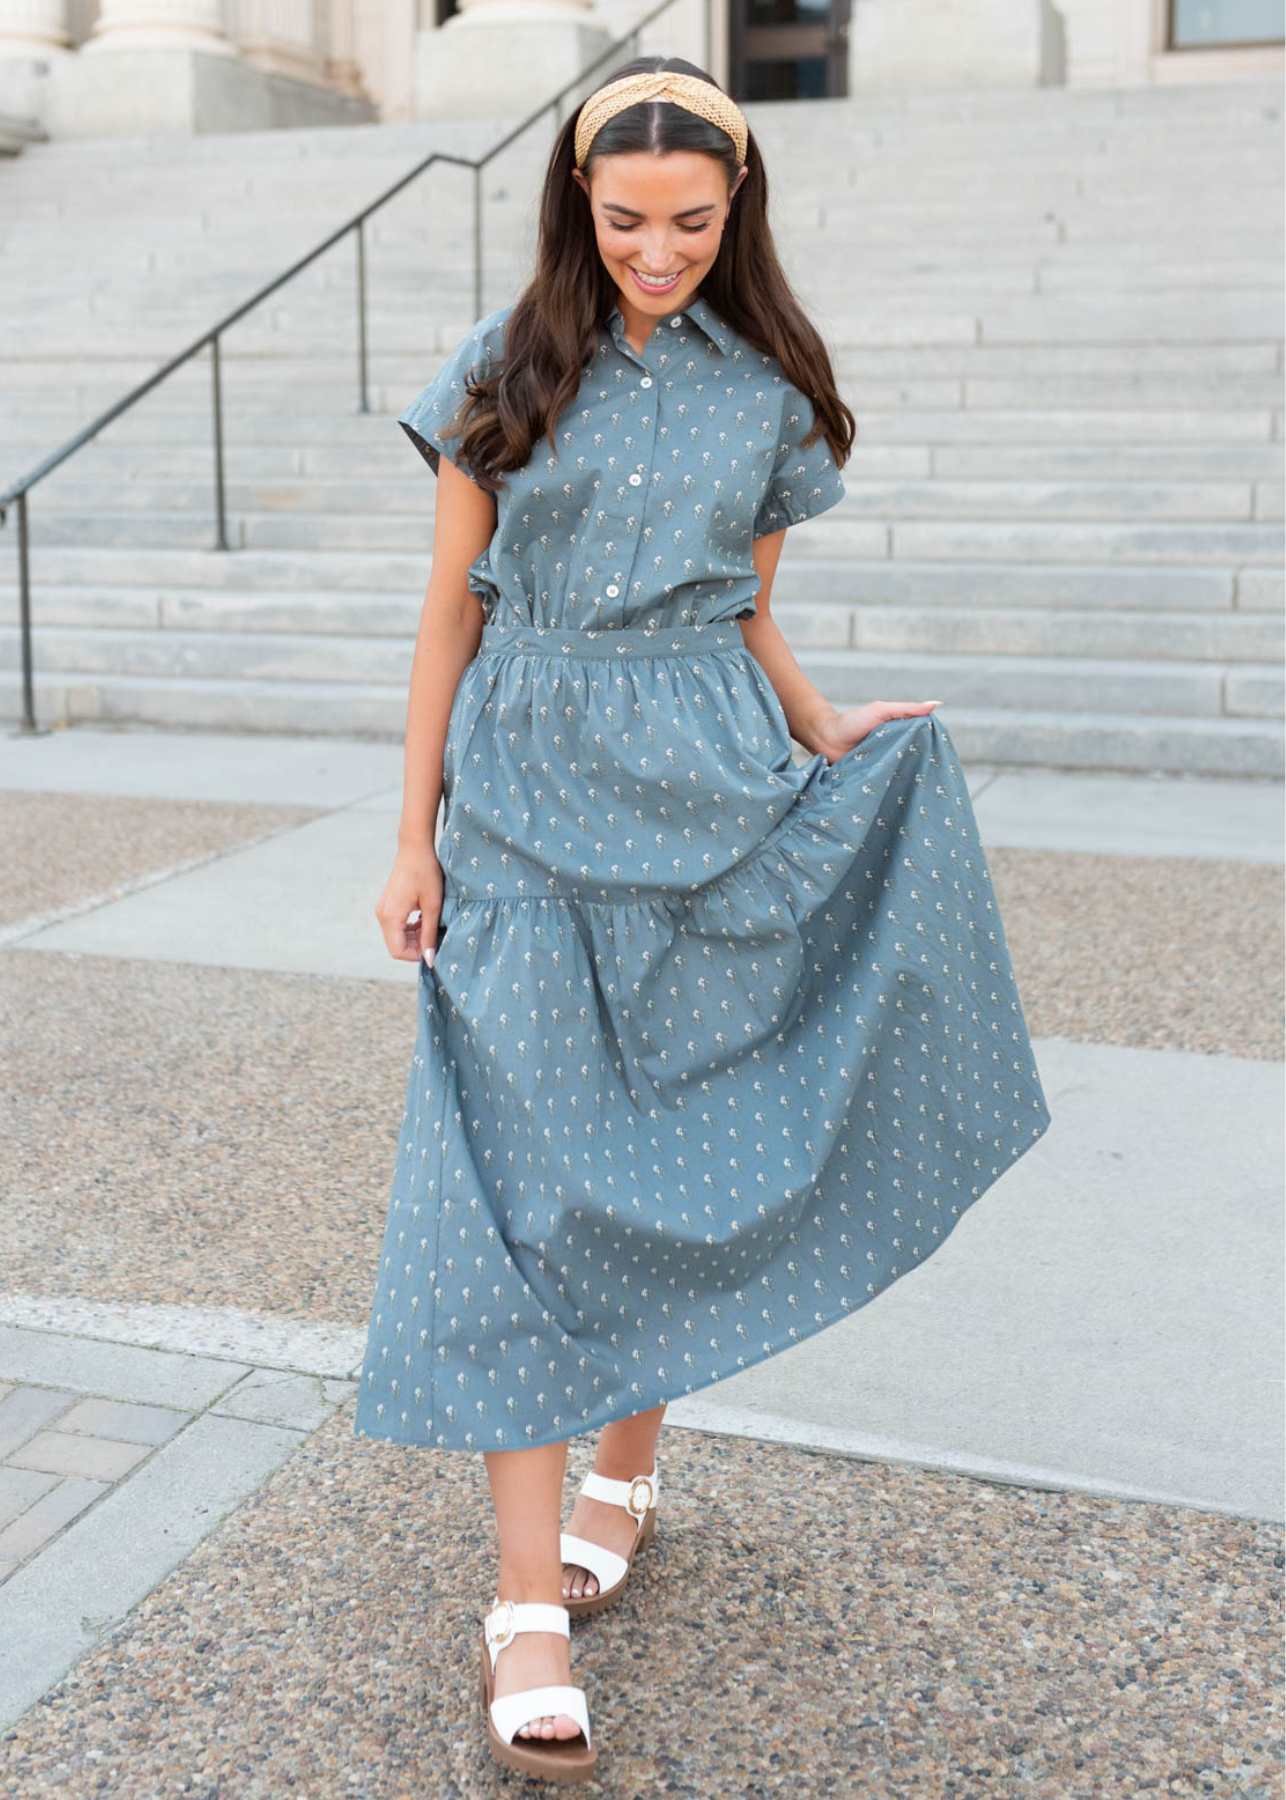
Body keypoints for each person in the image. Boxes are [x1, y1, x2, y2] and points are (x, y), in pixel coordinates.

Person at [355, 55, 1052, 1781]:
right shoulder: (499, 372)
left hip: (708, 785)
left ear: (733, 212)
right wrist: (410, 835)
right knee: (513, 1179)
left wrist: (823, 727)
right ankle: (523, 1605)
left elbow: (746, 606)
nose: (655, 249)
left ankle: (627, 1470)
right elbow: (446, 619)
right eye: (623, 220)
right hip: (520, 797)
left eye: (688, 220)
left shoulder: (767, 394)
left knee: (674, 1144)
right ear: (573, 211)